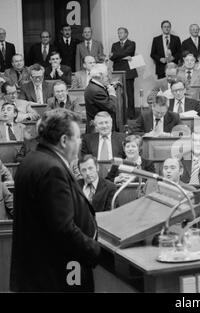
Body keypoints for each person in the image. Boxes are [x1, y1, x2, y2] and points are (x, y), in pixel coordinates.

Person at [10, 108, 101, 292]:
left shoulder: (31, 160)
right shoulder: (53, 169)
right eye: (77, 137)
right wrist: (96, 250)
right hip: (56, 275)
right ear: (64, 141)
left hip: (36, 273)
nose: (80, 142)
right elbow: (63, 229)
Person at [110, 27, 138, 119]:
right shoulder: (114, 45)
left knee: (130, 95)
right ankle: (121, 115)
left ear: (126, 34)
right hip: (117, 72)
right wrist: (124, 56)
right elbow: (111, 57)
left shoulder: (131, 43)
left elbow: (128, 52)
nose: (119, 35)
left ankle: (131, 114)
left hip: (129, 72)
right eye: (118, 33)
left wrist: (116, 55)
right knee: (119, 95)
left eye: (121, 33)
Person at [84, 63, 117, 134]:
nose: (108, 78)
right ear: (100, 76)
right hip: (98, 130)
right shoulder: (96, 91)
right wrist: (112, 94)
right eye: (106, 76)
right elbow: (112, 107)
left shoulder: (93, 86)